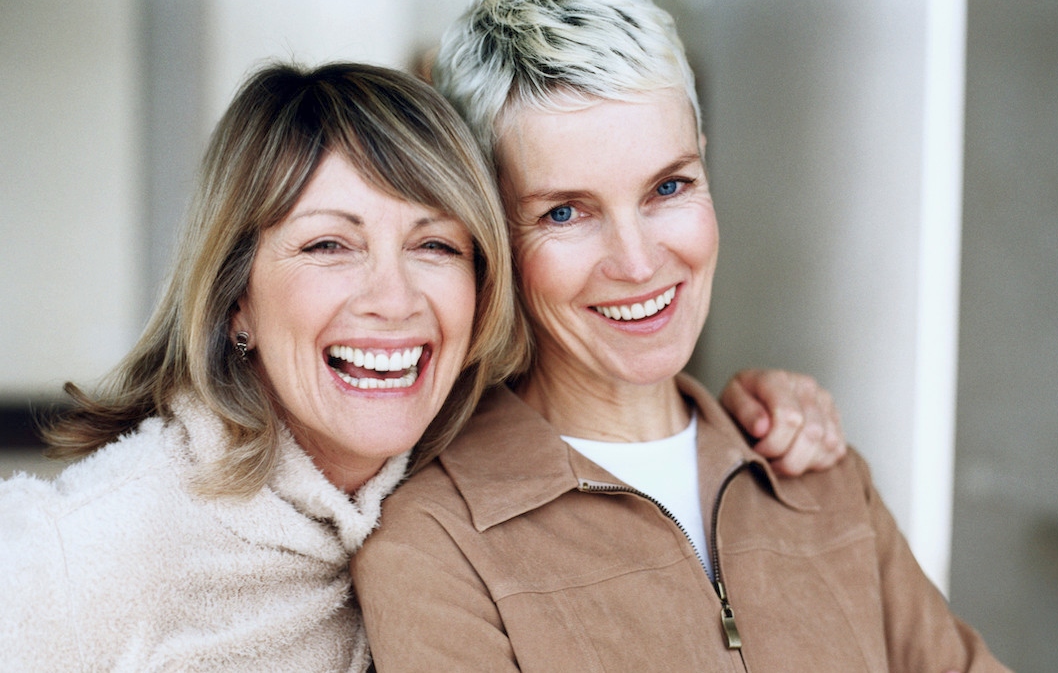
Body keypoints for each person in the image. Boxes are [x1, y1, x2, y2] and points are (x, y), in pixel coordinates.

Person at [0, 61, 844, 671]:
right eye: (330, 244)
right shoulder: (83, 552)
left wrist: (759, 413)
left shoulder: (470, 483)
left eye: (434, 244)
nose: (393, 298)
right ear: (236, 301)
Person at [352, 0, 1010, 671]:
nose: (638, 262)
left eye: (668, 186)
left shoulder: (823, 475)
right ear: (488, 229)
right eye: (564, 211)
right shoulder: (434, 548)